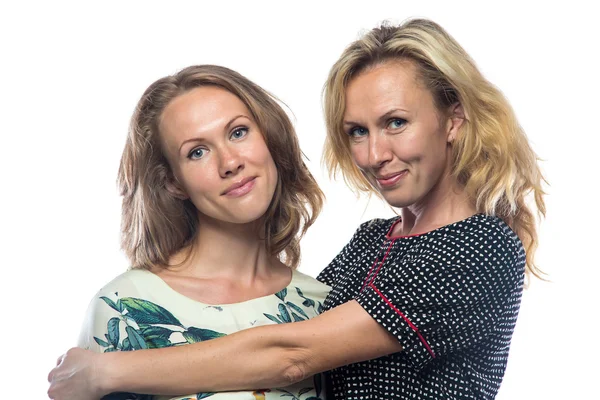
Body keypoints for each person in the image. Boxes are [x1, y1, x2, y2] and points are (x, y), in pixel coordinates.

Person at [48, 18, 546, 400]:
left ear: (453, 119)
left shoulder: (478, 245)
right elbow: (292, 330)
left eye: (396, 122)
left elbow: (292, 354)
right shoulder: (373, 240)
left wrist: (102, 371)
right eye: (357, 131)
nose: (374, 155)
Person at [53, 64, 330, 400]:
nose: (229, 162)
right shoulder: (124, 309)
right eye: (197, 152)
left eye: (238, 132)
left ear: (270, 138)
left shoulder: (322, 306)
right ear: (173, 182)